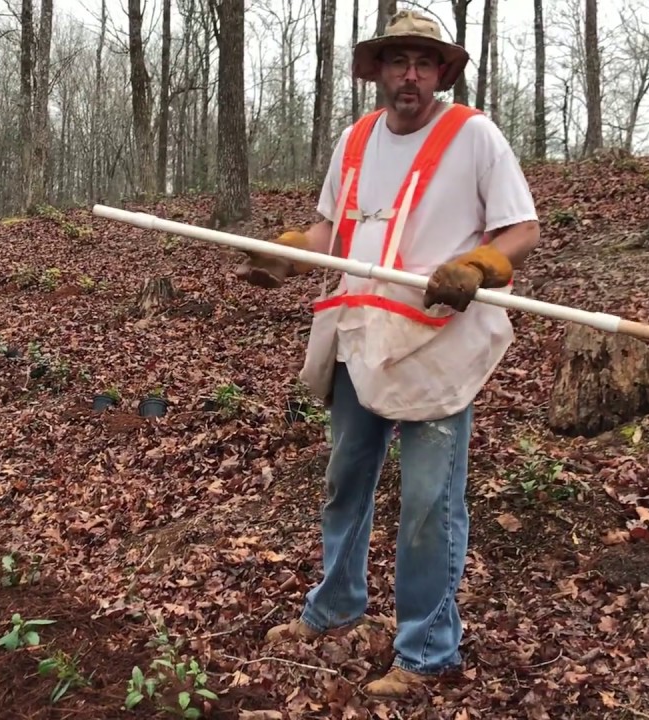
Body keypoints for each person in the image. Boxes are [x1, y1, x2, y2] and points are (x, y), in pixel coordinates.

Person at [234, 9, 542, 697]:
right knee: (346, 480)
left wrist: (484, 263)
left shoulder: (474, 137)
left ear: (442, 73)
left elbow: (522, 227)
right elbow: (330, 228)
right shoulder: (355, 139)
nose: (411, 75)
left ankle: (427, 649)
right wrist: (289, 254)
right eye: (399, 60)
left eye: (424, 63)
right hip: (358, 336)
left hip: (436, 346)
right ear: (377, 70)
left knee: (430, 499)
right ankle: (337, 602)